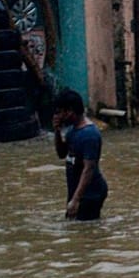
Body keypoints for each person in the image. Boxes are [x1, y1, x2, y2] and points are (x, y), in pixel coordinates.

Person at [52, 89, 108, 221]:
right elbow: (61, 154)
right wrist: (57, 131)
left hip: (90, 193)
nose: (58, 116)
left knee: (85, 233)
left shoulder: (89, 134)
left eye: (60, 112)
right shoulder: (73, 130)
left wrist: (76, 200)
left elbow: (89, 169)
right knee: (76, 230)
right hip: (78, 191)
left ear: (70, 111)